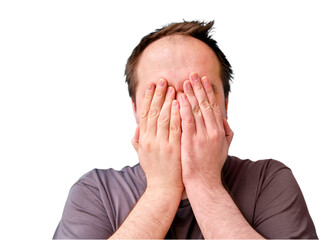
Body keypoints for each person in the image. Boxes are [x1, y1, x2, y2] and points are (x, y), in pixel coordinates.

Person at [53, 20, 318, 239]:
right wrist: (161, 190)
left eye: (198, 92)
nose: (181, 110)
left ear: (225, 104)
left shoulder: (268, 181)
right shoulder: (95, 191)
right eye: (161, 94)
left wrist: (205, 184)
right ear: (136, 109)